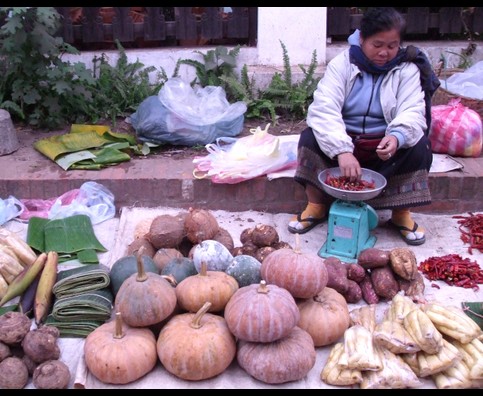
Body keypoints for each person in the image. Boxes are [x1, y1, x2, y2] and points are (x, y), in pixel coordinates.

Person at [287, 7, 440, 246]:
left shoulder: (407, 69)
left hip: (383, 146)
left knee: (420, 145)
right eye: (377, 44)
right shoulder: (343, 64)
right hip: (346, 144)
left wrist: (397, 137)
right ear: (362, 39)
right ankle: (316, 207)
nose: (385, 53)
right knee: (309, 138)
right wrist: (342, 151)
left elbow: (412, 110)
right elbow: (323, 108)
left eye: (392, 46)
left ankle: (401, 215)